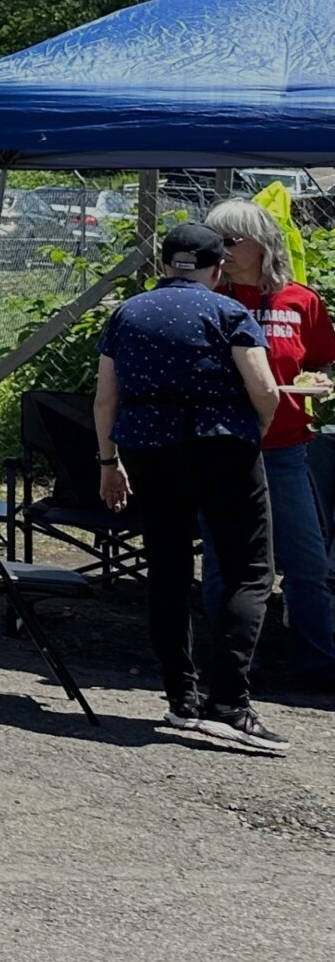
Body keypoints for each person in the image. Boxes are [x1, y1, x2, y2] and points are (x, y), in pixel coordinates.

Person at [95, 222, 288, 754]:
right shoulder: (229, 313)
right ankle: (229, 702)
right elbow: (264, 388)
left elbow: (106, 398)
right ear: (216, 269)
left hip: (147, 447)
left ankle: (181, 697)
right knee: (249, 569)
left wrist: (108, 462)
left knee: (168, 566)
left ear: (163, 265)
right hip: (221, 444)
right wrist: (256, 428)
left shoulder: (126, 313)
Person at [200, 199, 335, 693]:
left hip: (285, 449)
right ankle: (232, 664)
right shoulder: (208, 298)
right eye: (215, 242)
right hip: (225, 447)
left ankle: (316, 663)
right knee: (224, 560)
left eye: (231, 241)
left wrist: (319, 380)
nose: (222, 252)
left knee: (307, 563)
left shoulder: (301, 301)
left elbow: (320, 361)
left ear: (262, 245)